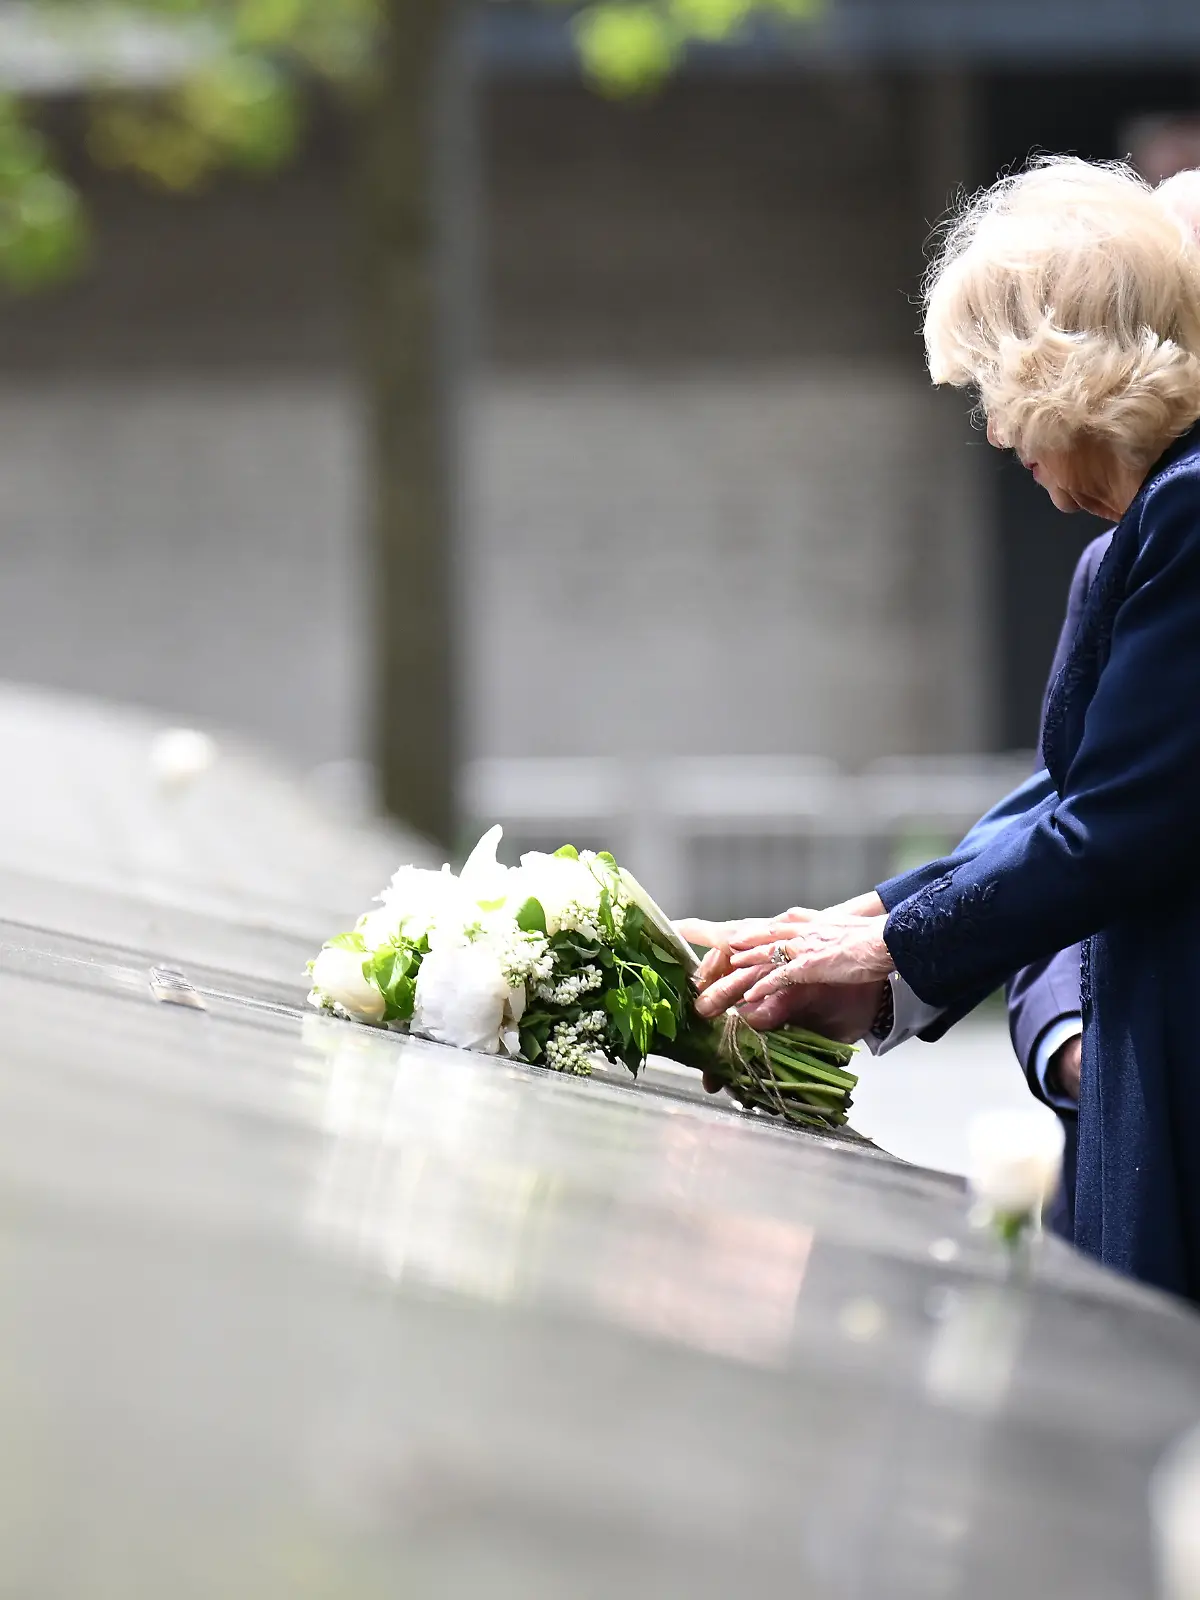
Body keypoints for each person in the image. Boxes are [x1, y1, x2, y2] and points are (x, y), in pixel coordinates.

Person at [693, 157, 1200, 1303]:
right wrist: (864, 926)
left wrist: (886, 955)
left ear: (1066, 370)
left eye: (997, 389)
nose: (993, 430)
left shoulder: (1186, 508)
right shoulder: (1157, 518)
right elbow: (1072, 792)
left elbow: (1114, 817)